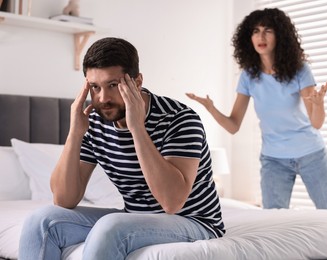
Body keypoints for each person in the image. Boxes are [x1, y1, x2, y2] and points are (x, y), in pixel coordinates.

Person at [18, 37, 225, 260]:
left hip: (194, 221)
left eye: (113, 85)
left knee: (111, 227)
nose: (103, 98)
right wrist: (75, 134)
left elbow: (172, 202)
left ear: (137, 82)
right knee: (40, 221)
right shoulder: (95, 122)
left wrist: (137, 128)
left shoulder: (180, 119)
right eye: (95, 87)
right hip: (134, 218)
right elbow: (64, 200)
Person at [186, 8, 327, 209]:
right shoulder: (248, 76)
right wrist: (211, 108)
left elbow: (316, 122)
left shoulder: (299, 70)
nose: (261, 36)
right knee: (273, 220)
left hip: (310, 153)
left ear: (280, 35)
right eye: (255, 31)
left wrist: (318, 104)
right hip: (274, 159)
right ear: (248, 38)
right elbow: (233, 125)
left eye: (268, 30)